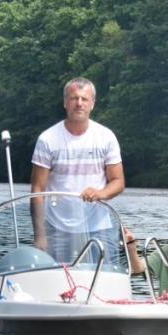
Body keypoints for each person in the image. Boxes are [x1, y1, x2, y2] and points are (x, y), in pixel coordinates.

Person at [30, 77, 125, 264]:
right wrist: (40, 235)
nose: (79, 103)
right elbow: (37, 190)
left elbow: (118, 181)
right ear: (65, 102)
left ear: (92, 104)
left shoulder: (106, 137)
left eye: (84, 99)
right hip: (57, 227)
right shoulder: (47, 139)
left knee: (104, 280)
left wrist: (101, 193)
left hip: (99, 226)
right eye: (74, 98)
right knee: (56, 282)